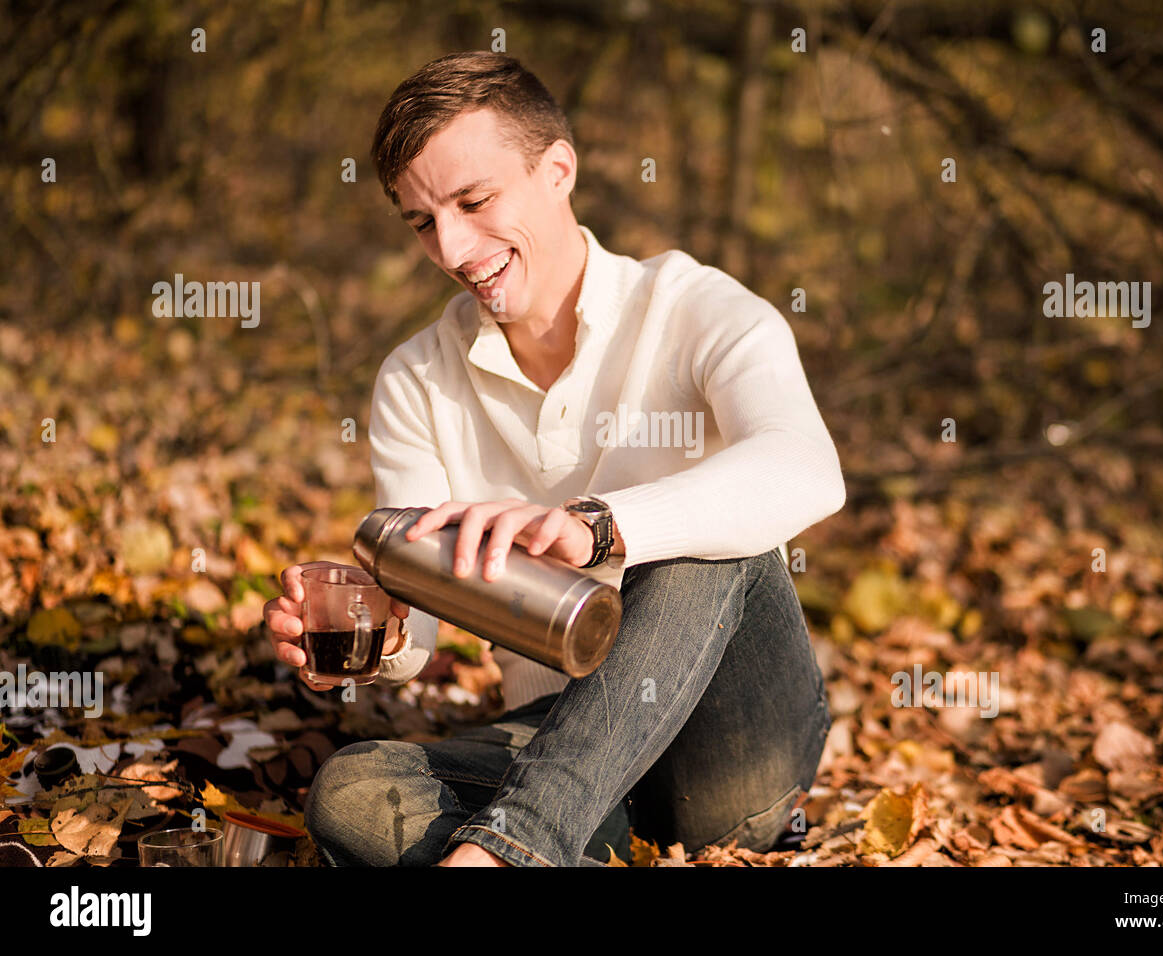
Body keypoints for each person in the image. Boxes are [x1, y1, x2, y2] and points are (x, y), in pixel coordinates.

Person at [261, 51, 845, 867]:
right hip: (559, 745)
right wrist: (385, 631)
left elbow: (806, 467)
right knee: (354, 792)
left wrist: (596, 530)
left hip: (727, 755)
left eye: (474, 201)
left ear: (559, 170)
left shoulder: (695, 308)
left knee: (697, 550)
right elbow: (420, 631)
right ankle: (551, 840)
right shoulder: (415, 380)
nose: (455, 249)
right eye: (424, 222)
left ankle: (510, 850)